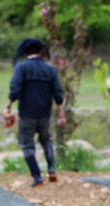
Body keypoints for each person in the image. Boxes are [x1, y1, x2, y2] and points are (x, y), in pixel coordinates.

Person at [4, 39, 65, 187]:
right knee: (47, 142)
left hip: (26, 115)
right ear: (41, 52)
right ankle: (51, 170)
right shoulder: (50, 70)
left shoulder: (21, 68)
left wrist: (8, 107)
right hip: (44, 115)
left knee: (27, 146)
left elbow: (15, 89)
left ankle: (37, 177)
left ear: (25, 53)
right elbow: (58, 94)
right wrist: (61, 116)